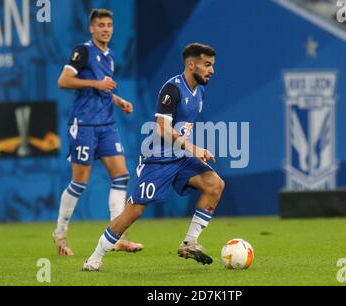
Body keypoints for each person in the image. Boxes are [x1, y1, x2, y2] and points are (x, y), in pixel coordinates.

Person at [82, 43, 225, 271]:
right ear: (191, 64)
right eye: (207, 65)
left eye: (213, 65)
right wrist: (193, 147)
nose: (212, 70)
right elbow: (162, 129)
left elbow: (183, 126)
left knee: (214, 184)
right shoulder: (172, 89)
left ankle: (189, 242)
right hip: (157, 160)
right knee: (135, 211)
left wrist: (191, 150)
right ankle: (95, 256)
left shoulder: (201, 90)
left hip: (181, 158)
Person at [52, 9, 143, 256]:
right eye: (101, 25)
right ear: (91, 28)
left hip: (106, 124)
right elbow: (63, 81)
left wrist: (118, 100)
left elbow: (103, 88)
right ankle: (60, 234)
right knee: (80, 181)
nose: (106, 29)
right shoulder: (83, 51)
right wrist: (97, 84)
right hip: (83, 124)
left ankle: (118, 235)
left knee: (121, 176)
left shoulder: (110, 55)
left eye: (109, 25)